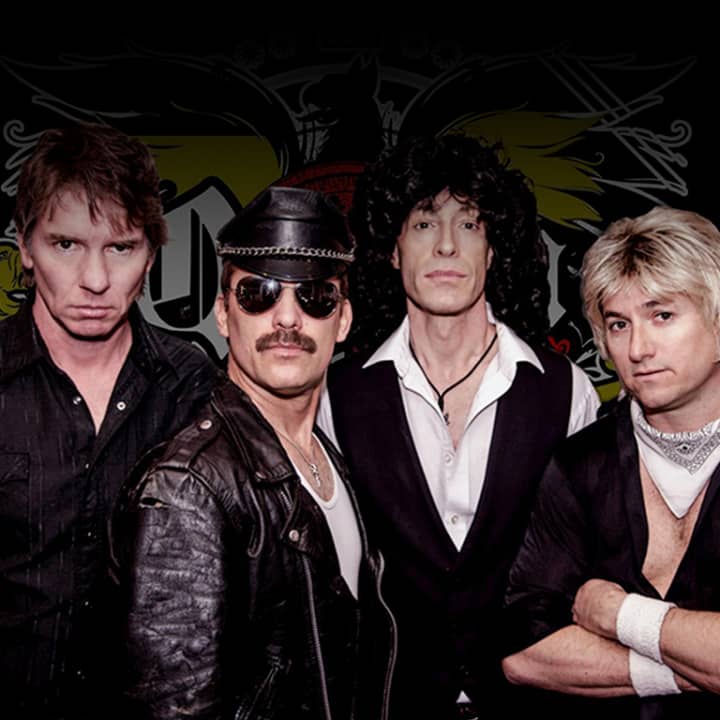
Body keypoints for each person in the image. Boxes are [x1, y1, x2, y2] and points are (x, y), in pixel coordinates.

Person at [317, 132, 600, 719]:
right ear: (393, 250)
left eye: (469, 224)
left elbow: (586, 569)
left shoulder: (564, 389)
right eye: (424, 224)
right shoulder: (335, 397)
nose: (446, 245)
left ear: (493, 250)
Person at [109, 185, 396, 719]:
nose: (287, 319)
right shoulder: (187, 488)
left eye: (315, 297)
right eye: (259, 293)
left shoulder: (329, 458)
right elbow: (177, 706)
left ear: (343, 320)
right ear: (223, 314)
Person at [0, 122, 221, 720]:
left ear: (151, 254)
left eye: (120, 248)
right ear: (25, 246)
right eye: (66, 244)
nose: (95, 281)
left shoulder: (192, 385)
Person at [502, 205, 720, 717]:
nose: (638, 348)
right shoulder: (580, 462)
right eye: (619, 324)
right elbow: (523, 653)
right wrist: (693, 667)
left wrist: (619, 615)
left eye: (662, 315)